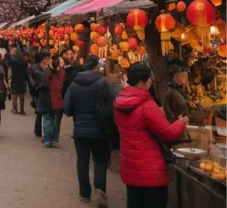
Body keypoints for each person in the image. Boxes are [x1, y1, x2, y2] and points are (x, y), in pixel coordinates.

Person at [114, 63, 188, 208]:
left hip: (130, 167)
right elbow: (168, 133)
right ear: (142, 81)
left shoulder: (119, 102)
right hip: (151, 172)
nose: (151, 82)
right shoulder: (147, 106)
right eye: (149, 79)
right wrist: (181, 122)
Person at [63, 55, 115, 207]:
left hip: (80, 130)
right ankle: (100, 190)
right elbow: (113, 102)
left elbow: (67, 109)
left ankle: (84, 194)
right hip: (100, 130)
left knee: (82, 162)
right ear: (96, 68)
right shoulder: (104, 82)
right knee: (100, 161)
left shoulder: (74, 85)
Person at [43, 54, 66, 147]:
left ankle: (48, 140)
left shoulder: (47, 72)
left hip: (48, 98)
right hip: (59, 98)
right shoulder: (62, 72)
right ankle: (55, 139)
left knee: (48, 119)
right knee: (57, 120)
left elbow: (44, 84)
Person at [29, 51, 50, 139]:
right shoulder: (33, 68)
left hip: (44, 91)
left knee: (40, 111)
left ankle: (38, 130)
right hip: (37, 91)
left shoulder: (48, 67)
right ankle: (38, 131)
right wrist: (35, 87)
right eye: (45, 59)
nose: (47, 61)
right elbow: (30, 80)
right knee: (39, 111)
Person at [8, 48, 29, 115]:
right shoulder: (25, 63)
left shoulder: (13, 61)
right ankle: (22, 110)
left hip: (14, 80)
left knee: (14, 95)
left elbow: (9, 66)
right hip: (22, 81)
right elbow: (26, 73)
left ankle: (15, 109)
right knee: (21, 96)